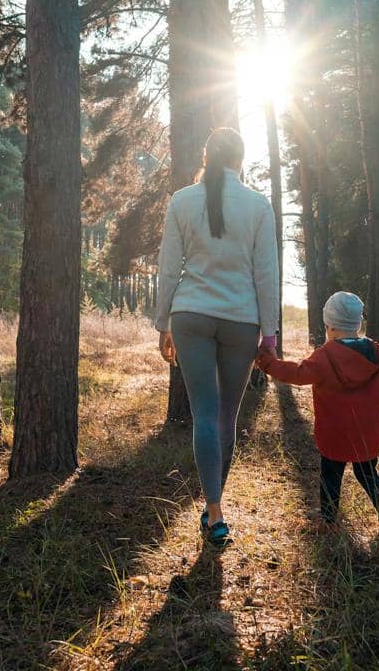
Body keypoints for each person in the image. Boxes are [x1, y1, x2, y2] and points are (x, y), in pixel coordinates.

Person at [154, 127, 280, 548]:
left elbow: (169, 268)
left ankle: (213, 509)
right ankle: (215, 508)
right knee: (226, 417)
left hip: (190, 315)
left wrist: (162, 323)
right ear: (240, 160)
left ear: (208, 157)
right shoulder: (258, 205)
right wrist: (270, 334)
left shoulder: (182, 200)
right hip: (241, 320)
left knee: (205, 414)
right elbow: (266, 275)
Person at [255, 291, 379, 534]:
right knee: (367, 472)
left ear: (330, 327)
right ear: (358, 323)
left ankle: (329, 521)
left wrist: (267, 362)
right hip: (368, 431)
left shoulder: (325, 356)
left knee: (331, 476)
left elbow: (297, 373)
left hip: (334, 434)